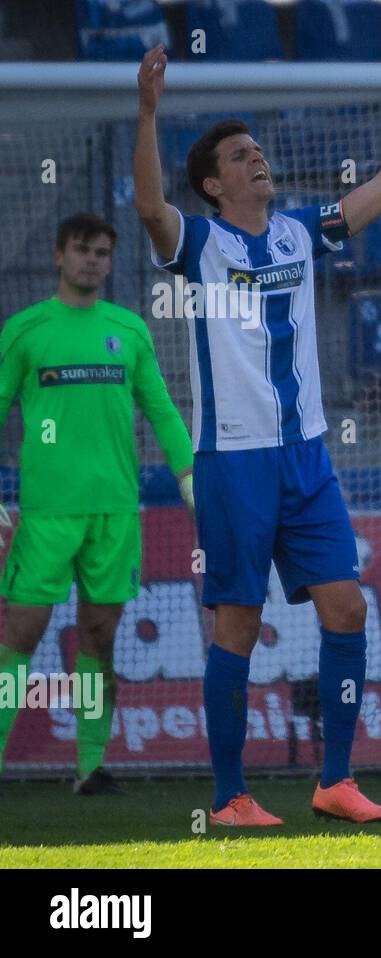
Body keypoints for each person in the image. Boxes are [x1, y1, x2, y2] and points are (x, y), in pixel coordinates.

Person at [132, 20, 381, 826]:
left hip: (307, 458)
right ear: (212, 184)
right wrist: (145, 115)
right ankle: (231, 796)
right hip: (233, 460)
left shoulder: (300, 231)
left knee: (346, 608)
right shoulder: (198, 241)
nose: (256, 159)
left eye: (257, 150)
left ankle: (334, 781)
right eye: (239, 156)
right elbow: (146, 205)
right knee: (237, 622)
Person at [0, 213, 195, 795]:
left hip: (114, 512)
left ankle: (89, 767)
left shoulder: (128, 331)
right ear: (59, 256)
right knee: (21, 634)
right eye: (83, 250)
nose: (93, 260)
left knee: (100, 638)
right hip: (46, 513)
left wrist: (188, 474)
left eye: (103, 253)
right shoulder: (26, 330)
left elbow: (160, 407)